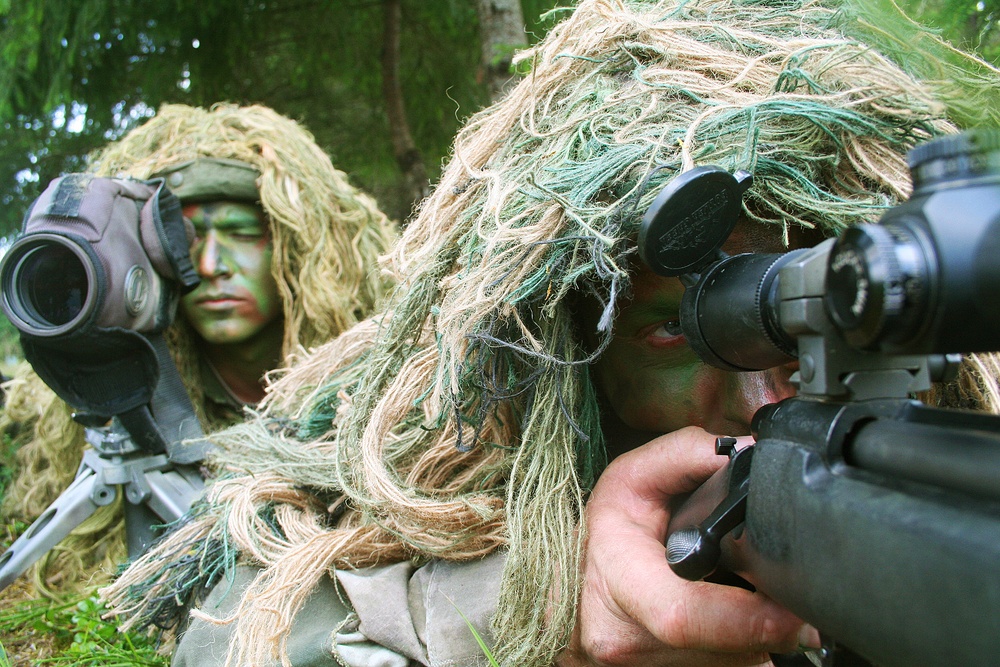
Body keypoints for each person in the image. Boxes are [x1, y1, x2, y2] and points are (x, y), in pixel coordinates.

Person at [102, 1, 1000, 666]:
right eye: (676, 332)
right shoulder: (459, 438)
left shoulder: (944, 459)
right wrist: (542, 602)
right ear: (567, 356)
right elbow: (238, 626)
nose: (767, 397)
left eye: (833, 331)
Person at [0, 103, 397, 598]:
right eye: (183, 243)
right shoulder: (145, 392)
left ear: (297, 250)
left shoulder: (373, 384)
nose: (210, 265)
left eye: (242, 233)